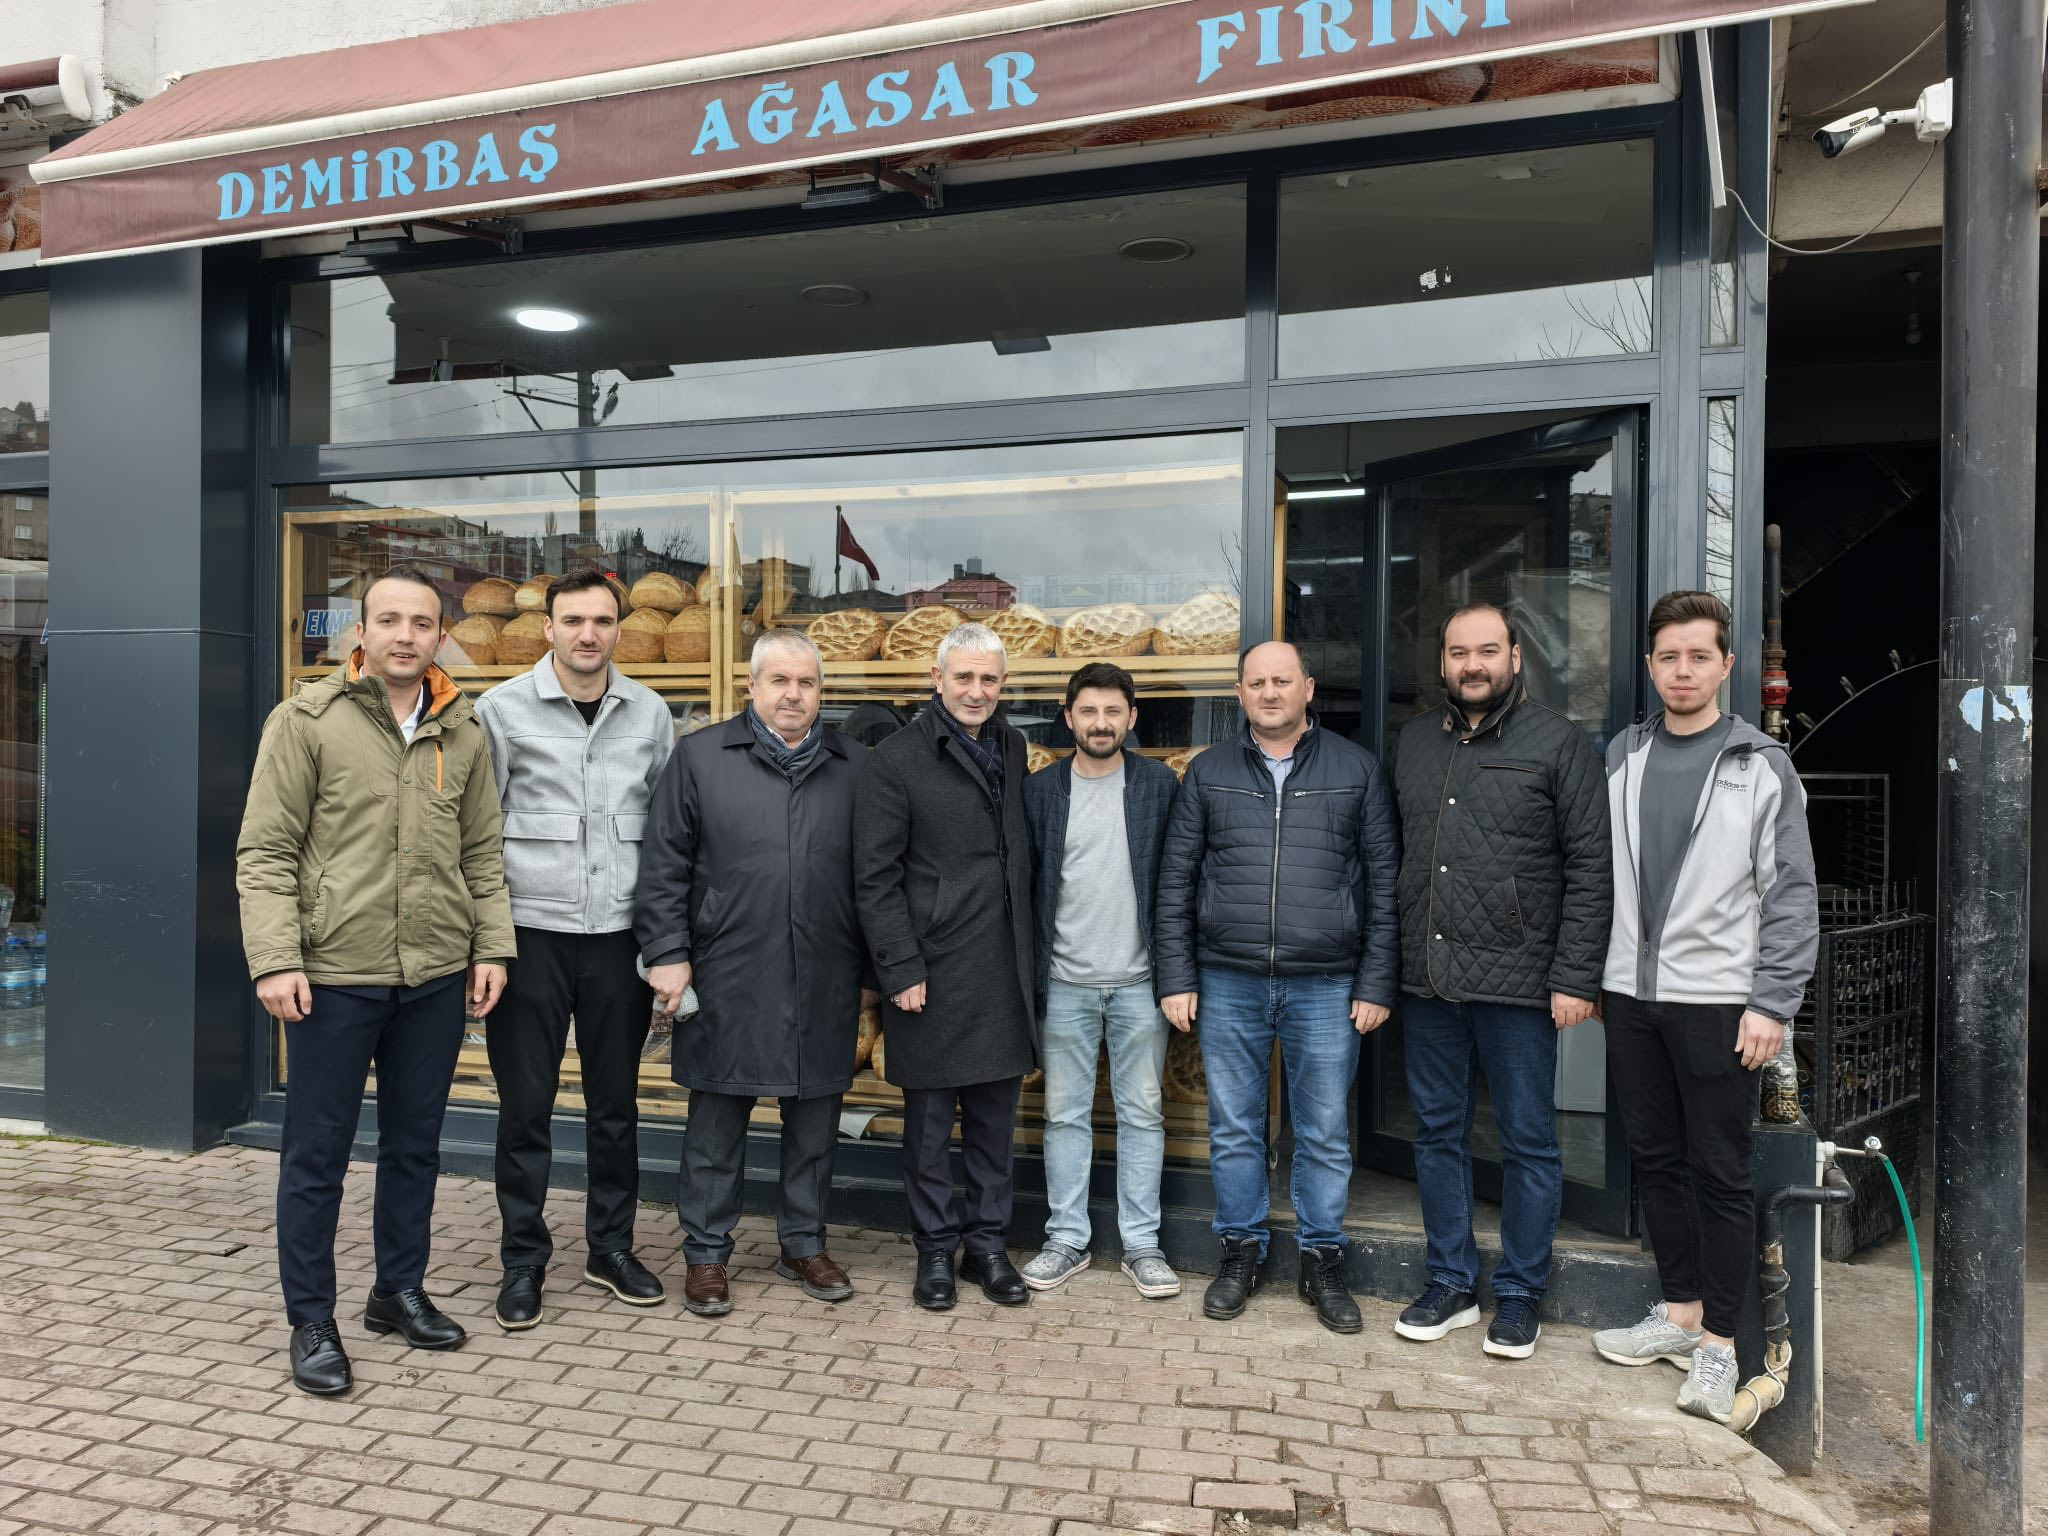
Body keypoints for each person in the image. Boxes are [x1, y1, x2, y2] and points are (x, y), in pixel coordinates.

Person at [236, 564, 516, 1396]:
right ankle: (311, 1319)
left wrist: (491, 949)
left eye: (421, 623)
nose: (405, 635)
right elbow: (266, 851)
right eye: (388, 620)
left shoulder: (463, 729)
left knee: (414, 1147)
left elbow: (481, 853)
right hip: (333, 975)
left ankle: (397, 1290)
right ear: (359, 632)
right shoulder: (305, 721)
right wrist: (275, 959)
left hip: (434, 975)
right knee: (316, 1154)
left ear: (440, 636)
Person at [1589, 591, 1817, 1424]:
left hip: (1721, 1002)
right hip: (1631, 995)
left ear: (1726, 665)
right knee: (1656, 1159)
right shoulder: (1623, 753)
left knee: (1720, 1171)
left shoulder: (1760, 763)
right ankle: (1681, 1315)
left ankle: (1721, 1345)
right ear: (1651, 666)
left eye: (1698, 656)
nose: (1681, 671)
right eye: (1668, 657)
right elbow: (1599, 873)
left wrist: (1772, 1002)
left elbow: (1791, 894)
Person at [1154, 639, 1399, 1333]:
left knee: (1323, 1132)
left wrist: (1376, 981)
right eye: (1256, 682)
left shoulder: (1357, 769)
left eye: (1281, 681)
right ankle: (1240, 1252)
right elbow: (1175, 881)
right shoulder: (1207, 772)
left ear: (1307, 689)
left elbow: (1384, 886)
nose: (1269, 692)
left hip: (1326, 983)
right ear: (1240, 693)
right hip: (1227, 979)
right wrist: (1177, 975)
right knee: (1235, 1129)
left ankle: (1322, 1261)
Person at [1389, 603, 1612, 1360]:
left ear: (1516, 658)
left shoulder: (1561, 741)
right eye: (1459, 653)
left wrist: (1575, 976)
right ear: (1443, 663)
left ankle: (1519, 1295)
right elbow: (1394, 857)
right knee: (1437, 1135)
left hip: (1521, 982)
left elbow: (1591, 866)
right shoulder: (1414, 741)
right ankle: (1450, 1282)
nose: (1473, 665)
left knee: (1528, 1142)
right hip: (1429, 980)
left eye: (1488, 650)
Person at [637, 631, 874, 1316]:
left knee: (815, 1125)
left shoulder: (855, 765)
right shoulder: (700, 757)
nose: (794, 694)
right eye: (780, 681)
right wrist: (668, 953)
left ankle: (804, 1244)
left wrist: (872, 969)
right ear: (752, 686)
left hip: (826, 971)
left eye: (807, 683)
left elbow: (876, 878)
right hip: (728, 968)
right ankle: (707, 1254)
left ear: (821, 692)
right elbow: (663, 864)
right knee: (716, 1122)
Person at [475, 568, 675, 1330]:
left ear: (618, 628)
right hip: (530, 937)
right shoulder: (501, 711)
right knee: (525, 1109)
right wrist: (486, 943)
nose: (588, 634)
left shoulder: (649, 713)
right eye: (573, 621)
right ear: (549, 628)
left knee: (615, 1107)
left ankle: (611, 1249)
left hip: (618, 940)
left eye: (601, 621)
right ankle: (523, 1260)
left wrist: (666, 942)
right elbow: (478, 833)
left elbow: (668, 838)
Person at [854, 622, 1037, 1311]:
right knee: (929, 1130)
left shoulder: (1012, 746)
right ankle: (934, 1250)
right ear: (937, 680)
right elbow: (874, 878)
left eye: (989, 679)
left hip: (1002, 966)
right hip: (929, 970)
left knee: (994, 1126)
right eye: (963, 677)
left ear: (1003, 684)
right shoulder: (896, 759)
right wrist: (899, 968)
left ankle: (986, 1248)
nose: (976, 690)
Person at [1019, 662, 1183, 1299]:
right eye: (1088, 711)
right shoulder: (1041, 790)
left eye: (1113, 711)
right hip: (1064, 981)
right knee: (1064, 1116)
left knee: (1143, 1115)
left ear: (1132, 718)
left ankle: (1142, 1245)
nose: (1101, 722)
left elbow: (1176, 882)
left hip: (1141, 981)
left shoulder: (1158, 785)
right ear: (1068, 718)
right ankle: (1066, 1238)